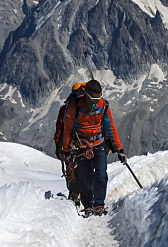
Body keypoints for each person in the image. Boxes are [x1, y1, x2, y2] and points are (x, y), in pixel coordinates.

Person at [54, 79, 126, 216]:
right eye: (93, 99)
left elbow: (110, 128)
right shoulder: (74, 107)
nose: (95, 102)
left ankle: (98, 204)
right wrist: (65, 150)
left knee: (101, 174)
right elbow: (67, 130)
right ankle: (88, 205)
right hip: (82, 145)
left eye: (97, 99)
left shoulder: (103, 105)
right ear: (85, 94)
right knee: (84, 176)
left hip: (97, 144)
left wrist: (119, 149)